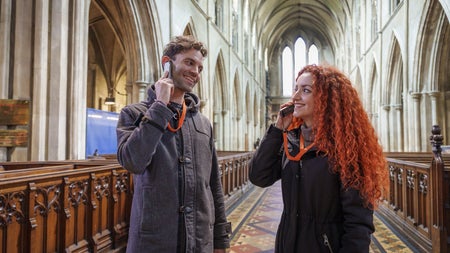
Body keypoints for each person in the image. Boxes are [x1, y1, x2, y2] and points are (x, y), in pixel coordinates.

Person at [249, 64, 388, 252]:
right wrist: (277, 129)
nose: (295, 97)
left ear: (327, 99)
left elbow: (358, 225)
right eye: (295, 89)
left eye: (305, 90)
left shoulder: (347, 149)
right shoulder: (292, 141)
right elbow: (259, 176)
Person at [116, 35, 231, 253]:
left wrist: (220, 240)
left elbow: (213, 185)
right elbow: (132, 161)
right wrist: (160, 106)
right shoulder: (133, 114)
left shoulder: (203, 124)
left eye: (199, 67)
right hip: (153, 243)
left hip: (198, 242)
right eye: (189, 62)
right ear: (166, 63)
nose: (195, 72)